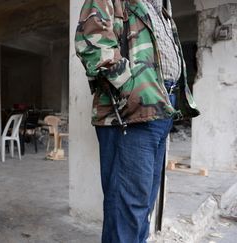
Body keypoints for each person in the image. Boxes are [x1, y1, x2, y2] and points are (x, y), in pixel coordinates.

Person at [75, 0, 199, 242]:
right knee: (127, 207)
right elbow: (91, 42)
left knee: (143, 206)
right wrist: (133, 89)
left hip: (161, 110)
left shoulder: (160, 7)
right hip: (132, 113)